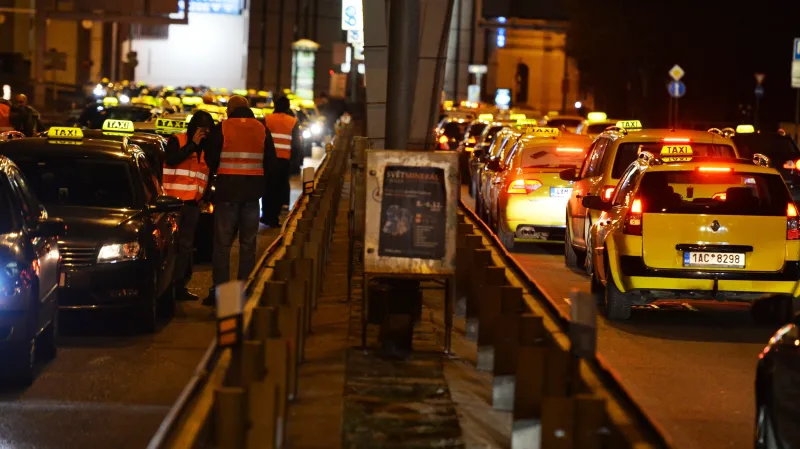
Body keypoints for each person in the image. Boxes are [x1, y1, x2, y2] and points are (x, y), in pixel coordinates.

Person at [203, 95, 275, 305]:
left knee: (222, 245)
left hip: (226, 193)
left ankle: (221, 293)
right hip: (252, 194)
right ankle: (245, 289)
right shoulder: (261, 128)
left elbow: (210, 157)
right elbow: (270, 161)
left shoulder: (223, 127)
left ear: (231, 109)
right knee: (248, 243)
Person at [163, 110, 214, 302]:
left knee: (185, 247)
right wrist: (193, 144)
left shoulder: (207, 147)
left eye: (207, 129)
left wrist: (204, 196)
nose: (205, 133)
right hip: (172, 204)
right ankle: (167, 288)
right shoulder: (178, 140)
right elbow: (172, 159)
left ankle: (179, 286)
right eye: (202, 128)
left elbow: (206, 174)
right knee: (171, 247)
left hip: (192, 205)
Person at [262, 96, 302, 227]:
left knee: (267, 188)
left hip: (268, 160)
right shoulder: (292, 121)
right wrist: (295, 162)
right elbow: (296, 144)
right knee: (279, 189)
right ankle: (274, 217)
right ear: (287, 107)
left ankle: (266, 215)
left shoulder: (267, 119)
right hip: (284, 160)